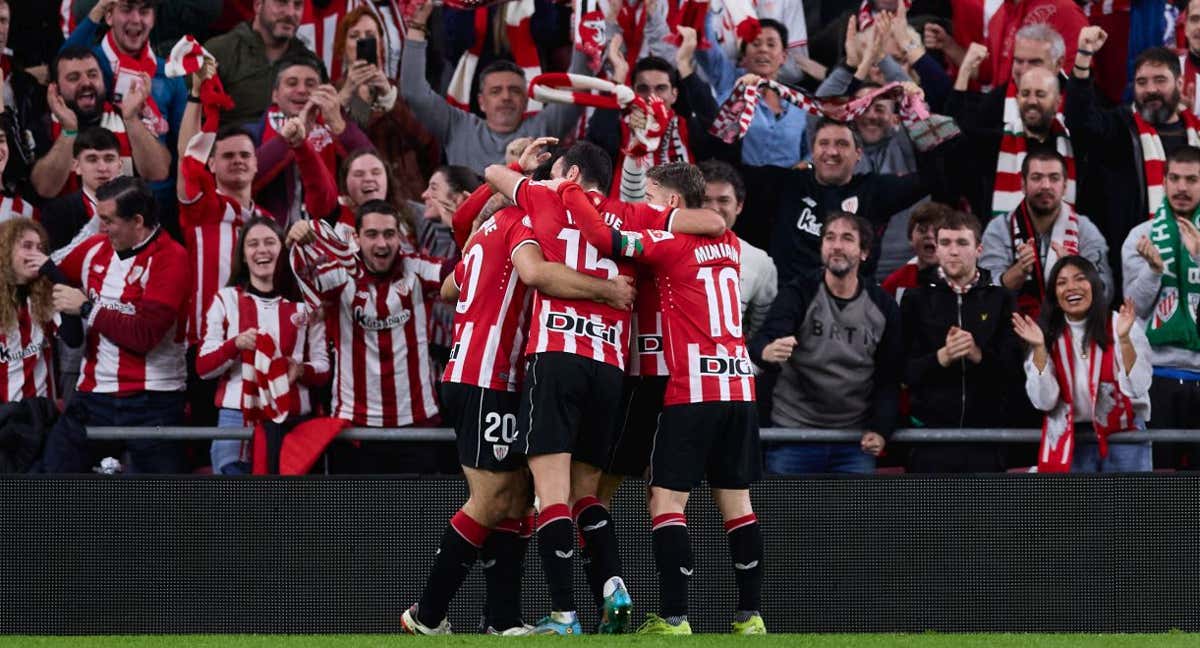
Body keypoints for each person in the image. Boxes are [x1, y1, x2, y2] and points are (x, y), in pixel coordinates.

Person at [401, 176, 635, 638]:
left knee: (516, 498)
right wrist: (606, 290)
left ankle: (502, 619)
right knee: (493, 498)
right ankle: (426, 616)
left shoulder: (489, 230)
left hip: (478, 373)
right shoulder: (521, 224)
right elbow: (533, 273)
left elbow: (450, 289)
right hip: (488, 375)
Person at [40, 176, 190, 474]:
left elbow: (144, 335)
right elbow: (49, 273)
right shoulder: (95, 248)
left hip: (154, 399)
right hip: (93, 396)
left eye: (108, 220)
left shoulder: (171, 258)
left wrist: (85, 308)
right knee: (51, 478)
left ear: (137, 221)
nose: (101, 227)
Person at [749, 212, 901, 474]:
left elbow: (889, 377)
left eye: (847, 238)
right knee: (784, 515)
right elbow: (764, 339)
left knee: (851, 517)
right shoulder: (800, 292)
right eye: (830, 237)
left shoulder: (883, 305)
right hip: (793, 434)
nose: (837, 245)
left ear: (864, 252)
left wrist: (880, 429)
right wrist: (767, 351)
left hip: (854, 440)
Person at [286, 199, 442, 430]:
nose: (382, 243)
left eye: (389, 234)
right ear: (356, 238)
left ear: (399, 237)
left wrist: (459, 222)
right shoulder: (340, 274)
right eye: (372, 234)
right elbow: (291, 288)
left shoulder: (417, 268)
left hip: (417, 419)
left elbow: (464, 275)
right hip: (354, 424)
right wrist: (291, 244)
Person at [1066, 33, 1200, 291]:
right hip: (1135, 268)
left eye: (1160, 80)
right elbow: (1079, 121)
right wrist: (1083, 59)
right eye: (1142, 82)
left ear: (1180, 83)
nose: (1150, 89)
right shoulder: (1119, 127)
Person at [197, 216, 329, 475]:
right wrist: (234, 344)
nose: (262, 250)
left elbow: (324, 369)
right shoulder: (226, 300)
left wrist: (300, 369)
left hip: (294, 420)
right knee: (240, 511)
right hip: (238, 418)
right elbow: (203, 367)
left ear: (284, 250)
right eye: (253, 244)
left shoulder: (307, 304)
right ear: (244, 256)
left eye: (270, 242)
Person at [400, 0, 589, 172]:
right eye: (495, 91)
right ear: (481, 101)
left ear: (526, 99)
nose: (505, 97)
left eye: (514, 90)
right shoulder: (457, 126)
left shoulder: (544, 128)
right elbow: (414, 92)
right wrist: (417, 24)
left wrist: (583, 12)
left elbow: (580, 82)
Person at [901, 210, 1022, 473]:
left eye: (962, 243)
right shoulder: (914, 299)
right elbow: (902, 372)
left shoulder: (1002, 299)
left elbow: (1015, 372)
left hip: (987, 440)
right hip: (929, 440)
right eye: (945, 243)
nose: (953, 251)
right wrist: (941, 357)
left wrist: (978, 355)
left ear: (979, 249)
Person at [772, 111, 957, 282]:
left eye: (842, 144)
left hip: (855, 305)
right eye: (824, 143)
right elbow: (742, 179)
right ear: (812, 151)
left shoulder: (875, 190)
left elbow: (934, 177)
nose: (832, 152)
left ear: (858, 154)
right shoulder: (787, 183)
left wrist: (915, 112)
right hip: (792, 302)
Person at [1013, 257, 1152, 472]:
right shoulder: (1044, 335)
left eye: (1080, 278)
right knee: (1076, 507)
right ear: (1054, 295)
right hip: (1072, 438)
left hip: (1124, 435)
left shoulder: (1120, 324)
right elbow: (1044, 402)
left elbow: (1138, 387)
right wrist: (1040, 348)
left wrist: (1123, 340)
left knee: (1129, 506)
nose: (1071, 287)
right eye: (1062, 282)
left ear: (1095, 285)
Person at [1121, 146, 1200, 469]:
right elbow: (1133, 309)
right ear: (1164, 182)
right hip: (1157, 378)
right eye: (1175, 178)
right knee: (1158, 485)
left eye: (1192, 179)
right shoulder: (1141, 236)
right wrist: (1153, 270)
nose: (1182, 187)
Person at [980, 150, 1111, 318]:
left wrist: (1076, 269)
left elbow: (1105, 292)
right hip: (1013, 329)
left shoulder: (1085, 229)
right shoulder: (999, 229)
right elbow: (984, 293)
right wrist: (1018, 272)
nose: (1046, 185)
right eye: (1036, 178)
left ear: (1064, 186)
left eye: (1054, 178)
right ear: (1022, 184)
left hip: (1069, 330)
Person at [32, 46, 170, 199]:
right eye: (73, 78)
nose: (86, 83)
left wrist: (132, 119)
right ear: (55, 89)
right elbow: (45, 188)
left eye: (92, 75)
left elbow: (158, 172)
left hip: (124, 218)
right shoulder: (43, 125)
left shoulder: (126, 115)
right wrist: (69, 131)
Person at [333, 5, 439, 202]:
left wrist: (390, 99)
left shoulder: (401, 90)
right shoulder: (335, 95)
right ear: (342, 47)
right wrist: (348, 97)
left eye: (370, 34)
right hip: (360, 199)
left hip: (409, 198)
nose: (363, 40)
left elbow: (428, 145)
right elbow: (346, 148)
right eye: (355, 35)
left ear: (381, 44)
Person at [247, 54, 364, 227]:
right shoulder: (254, 131)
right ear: (275, 95)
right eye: (292, 83)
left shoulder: (338, 125)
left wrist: (338, 124)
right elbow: (248, 175)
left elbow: (373, 165)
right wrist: (293, 133)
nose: (302, 90)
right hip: (271, 233)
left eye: (311, 84)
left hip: (332, 231)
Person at [61, 0, 188, 150]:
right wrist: (98, 10)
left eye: (144, 11)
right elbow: (62, 67)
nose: (135, 19)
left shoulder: (169, 74)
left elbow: (182, 148)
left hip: (153, 170)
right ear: (108, 16)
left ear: (153, 19)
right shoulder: (89, 67)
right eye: (126, 9)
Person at [699, 160, 777, 342]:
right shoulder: (663, 249)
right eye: (705, 200)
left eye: (723, 200)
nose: (713, 208)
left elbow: (760, 332)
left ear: (739, 206)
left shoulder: (760, 263)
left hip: (728, 367)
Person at [205, 0, 314, 126]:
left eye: (297, 5)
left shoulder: (310, 62)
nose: (290, 13)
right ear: (258, 5)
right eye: (281, 2)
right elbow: (192, 123)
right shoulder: (219, 52)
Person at [0, 219, 71, 403]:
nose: (36, 255)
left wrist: (56, 275)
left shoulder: (45, 297)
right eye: (27, 246)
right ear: (6, 251)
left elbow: (73, 338)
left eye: (39, 248)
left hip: (39, 414)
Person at [0, 0, 50, 200]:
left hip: (18, 191)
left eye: (3, 21)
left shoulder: (25, 84)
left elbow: (32, 147)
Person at [882, 201, 950, 303]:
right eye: (922, 230)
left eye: (937, 231)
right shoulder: (895, 282)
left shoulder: (963, 279)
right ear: (910, 238)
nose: (929, 235)